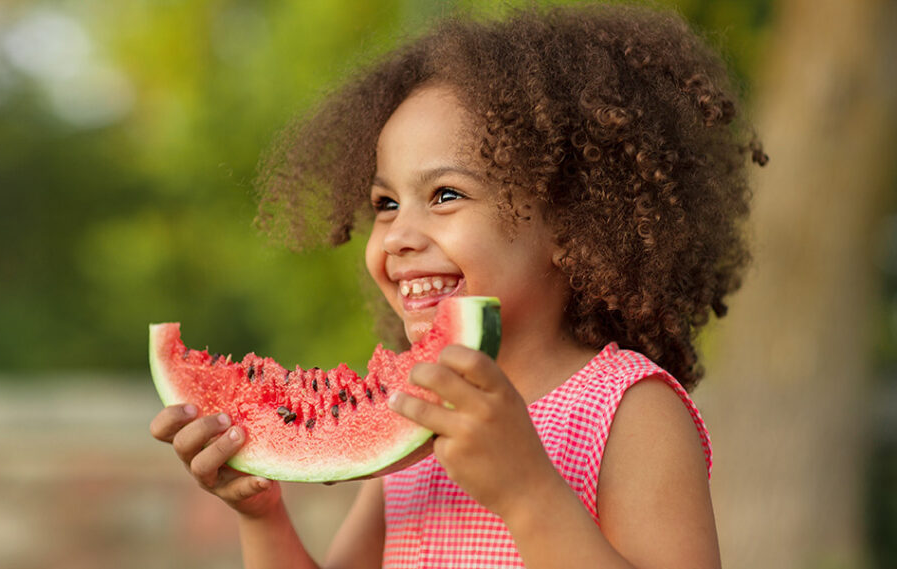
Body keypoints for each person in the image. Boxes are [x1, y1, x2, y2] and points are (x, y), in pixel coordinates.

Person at [150, 3, 766, 568]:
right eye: (385, 203)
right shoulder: (413, 414)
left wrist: (527, 493)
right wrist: (261, 516)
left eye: (446, 195)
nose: (398, 235)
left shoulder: (629, 409)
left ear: (571, 225)